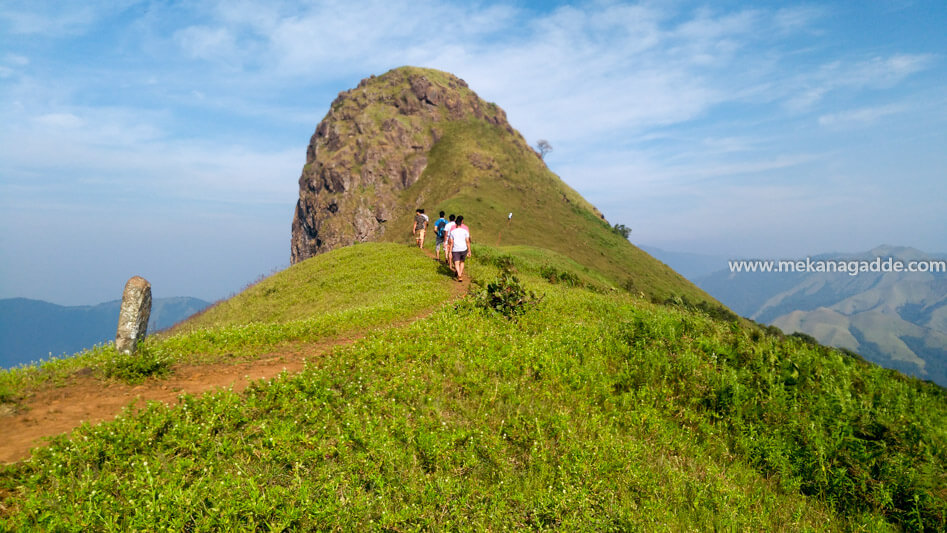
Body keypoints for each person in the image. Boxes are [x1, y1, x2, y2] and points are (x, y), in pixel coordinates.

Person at [448, 215, 471, 282]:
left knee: (456, 263)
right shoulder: (465, 231)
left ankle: (459, 274)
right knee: (462, 262)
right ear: (461, 223)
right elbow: (467, 241)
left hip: (455, 249)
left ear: (455, 223)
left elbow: (451, 243)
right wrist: (469, 250)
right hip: (464, 248)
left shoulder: (453, 232)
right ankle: (460, 274)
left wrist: (450, 252)